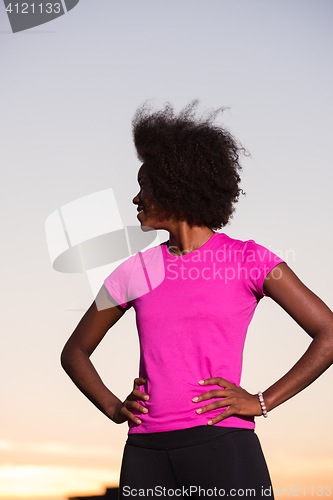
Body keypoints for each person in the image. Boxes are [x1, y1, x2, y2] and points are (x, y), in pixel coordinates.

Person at [61, 102, 333, 499]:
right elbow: (75, 352)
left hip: (223, 447)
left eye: (145, 186)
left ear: (176, 184)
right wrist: (115, 408)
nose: (136, 199)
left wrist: (262, 401)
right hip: (145, 454)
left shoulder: (250, 260)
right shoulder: (132, 272)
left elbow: (328, 333)